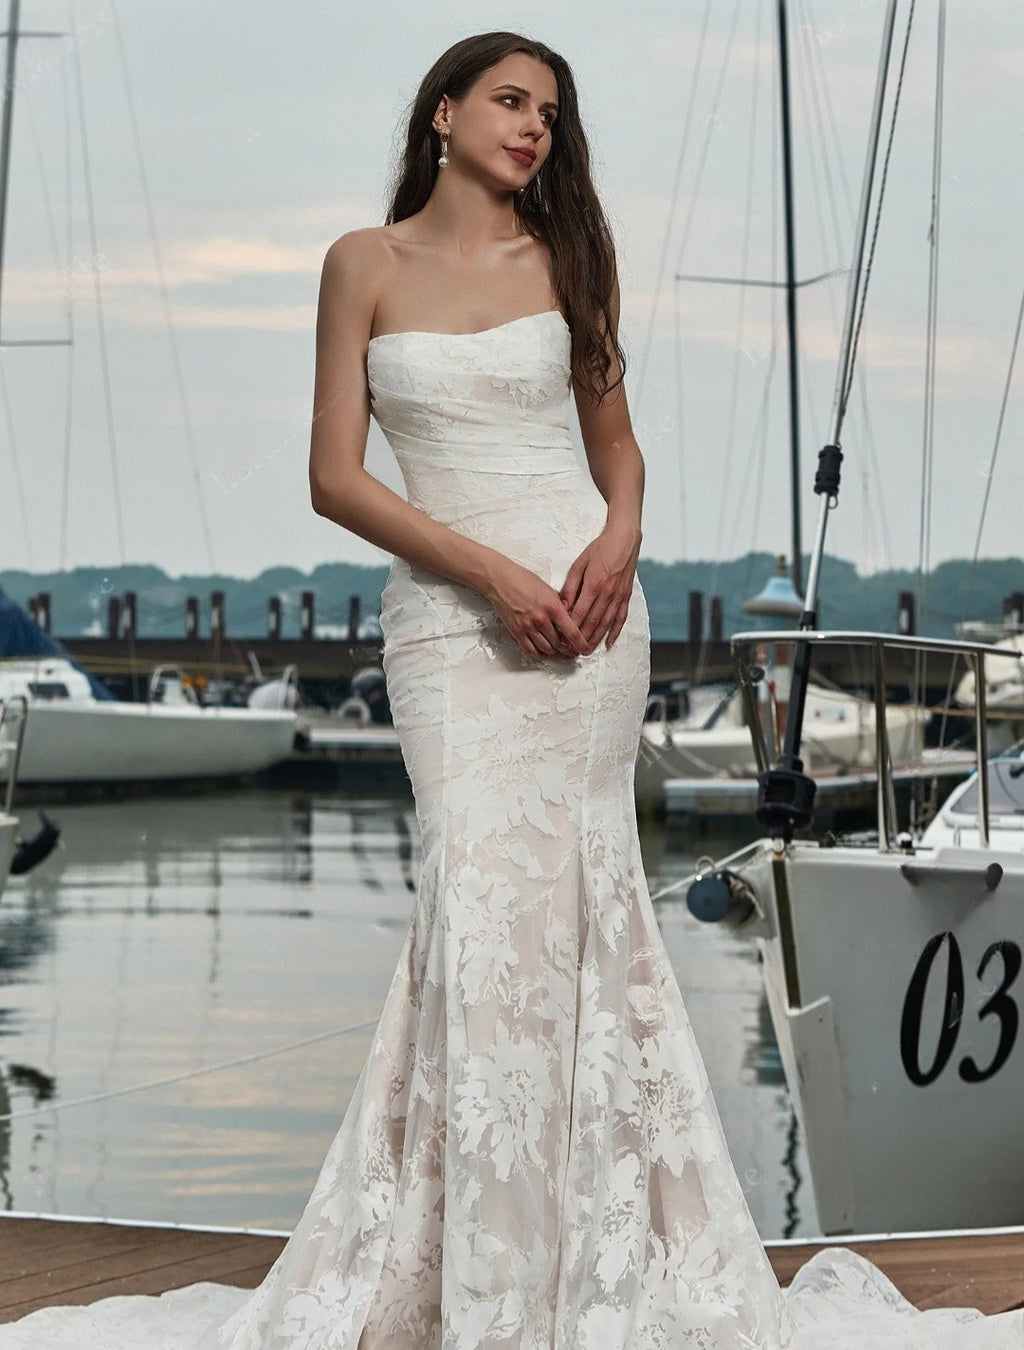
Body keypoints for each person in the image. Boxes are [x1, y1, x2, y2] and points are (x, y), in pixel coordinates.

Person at [1, 29, 1021, 1350]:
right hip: (453, 624)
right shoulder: (360, 264)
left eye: (551, 109)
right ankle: (470, 1267)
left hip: (592, 622)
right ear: (442, 112)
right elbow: (335, 475)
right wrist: (485, 569)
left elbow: (620, 452)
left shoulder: (566, 261)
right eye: (509, 99)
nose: (535, 125)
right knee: (479, 913)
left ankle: (594, 1265)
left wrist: (618, 541)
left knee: (591, 918)